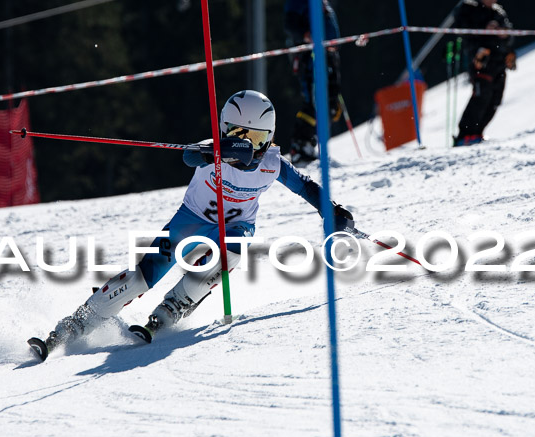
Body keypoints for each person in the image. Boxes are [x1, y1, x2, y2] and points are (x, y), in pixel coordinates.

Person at [30, 90, 354, 360]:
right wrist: (217, 150)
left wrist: (332, 210)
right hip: (191, 220)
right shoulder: (214, 151)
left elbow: (305, 186)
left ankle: (174, 307)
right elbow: (190, 156)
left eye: (254, 138)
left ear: (268, 138)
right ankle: (76, 323)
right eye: (237, 135)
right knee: (142, 278)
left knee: (229, 255)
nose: (246, 146)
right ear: (225, 131)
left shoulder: (272, 164)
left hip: (236, 228)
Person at [284, 0, 342, 165]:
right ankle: (300, 146)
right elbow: (290, 25)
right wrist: (306, 36)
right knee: (315, 102)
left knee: (331, 105)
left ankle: (307, 144)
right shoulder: (300, 4)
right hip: (311, 58)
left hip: (328, 57)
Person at [453, 0, 516, 146]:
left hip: (499, 62)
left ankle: (478, 132)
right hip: (481, 61)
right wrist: (484, 28)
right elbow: (463, 30)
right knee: (482, 95)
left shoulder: (498, 12)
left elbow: (510, 35)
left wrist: (504, 35)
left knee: (495, 99)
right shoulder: (468, 7)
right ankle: (465, 135)